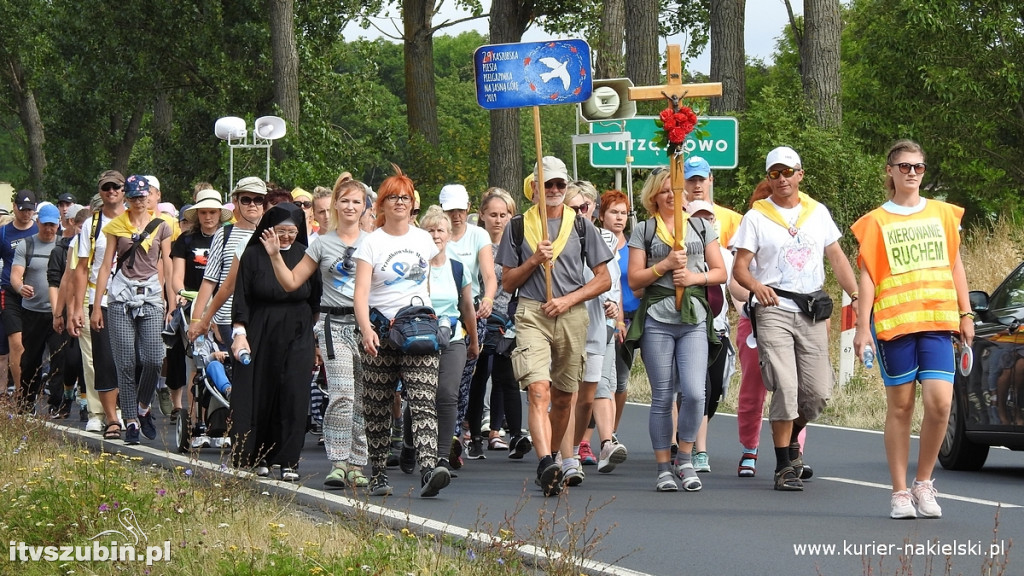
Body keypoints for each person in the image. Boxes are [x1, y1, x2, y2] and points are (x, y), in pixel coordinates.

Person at [851, 139, 973, 519]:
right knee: (901, 407)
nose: (912, 173)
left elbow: (955, 265)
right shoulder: (875, 221)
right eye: (904, 166)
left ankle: (924, 483)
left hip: (938, 323)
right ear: (890, 171)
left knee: (940, 403)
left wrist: (966, 313)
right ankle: (900, 492)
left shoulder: (942, 214)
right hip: (894, 326)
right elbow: (868, 277)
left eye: (918, 167)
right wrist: (861, 328)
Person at [732, 146, 859, 492]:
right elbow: (740, 268)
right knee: (785, 387)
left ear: (800, 174)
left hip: (811, 311)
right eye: (774, 174)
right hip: (774, 310)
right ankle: (784, 466)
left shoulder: (817, 213)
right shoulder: (756, 217)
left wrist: (857, 296)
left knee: (817, 394)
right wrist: (757, 287)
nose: (782, 179)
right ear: (769, 178)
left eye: (787, 172)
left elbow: (836, 256)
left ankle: (790, 440)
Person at [495, 156, 612, 496]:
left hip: (571, 314)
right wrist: (534, 259)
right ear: (535, 188)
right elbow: (506, 283)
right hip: (532, 313)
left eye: (561, 184)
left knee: (564, 398)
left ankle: (558, 461)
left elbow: (602, 279)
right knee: (538, 390)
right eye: (548, 184)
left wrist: (570, 299)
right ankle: (546, 461)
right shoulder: (518, 227)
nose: (555, 190)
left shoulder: (580, 225)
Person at [262, 176, 371, 489]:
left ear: (364, 206)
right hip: (333, 324)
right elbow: (292, 281)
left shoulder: (373, 242)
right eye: (345, 200)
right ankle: (338, 462)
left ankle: (358, 464)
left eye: (356, 201)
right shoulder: (322, 243)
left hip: (366, 326)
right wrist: (273, 255)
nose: (350, 206)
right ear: (335, 204)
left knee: (363, 398)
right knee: (342, 394)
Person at [625, 167, 727, 492]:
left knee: (696, 393)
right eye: (666, 190)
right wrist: (664, 266)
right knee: (662, 395)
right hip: (657, 316)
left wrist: (695, 278)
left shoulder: (700, 226)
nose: (672, 195)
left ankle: (685, 456)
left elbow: (721, 272)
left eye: (677, 190)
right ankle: (662, 467)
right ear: (654, 195)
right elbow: (634, 280)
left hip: (694, 317)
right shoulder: (643, 230)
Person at [353, 166, 451, 498]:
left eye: (405, 197)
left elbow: (427, 282)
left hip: (418, 330)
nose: (400, 202)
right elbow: (361, 293)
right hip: (381, 331)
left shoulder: (424, 240)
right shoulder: (371, 243)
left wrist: (435, 316)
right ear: (381, 204)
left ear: (413, 205)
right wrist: (366, 329)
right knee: (377, 404)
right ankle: (379, 471)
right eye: (393, 197)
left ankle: (428, 469)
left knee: (423, 401)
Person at [231, 202, 320, 481]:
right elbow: (242, 296)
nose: (287, 237)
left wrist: (313, 338)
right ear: (269, 229)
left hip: (298, 330)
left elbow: (315, 297)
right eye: (281, 231)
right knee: (262, 393)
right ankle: (258, 455)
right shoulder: (254, 255)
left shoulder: (305, 255)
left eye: (292, 231)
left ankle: (288, 460)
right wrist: (239, 334)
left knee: (294, 393)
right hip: (261, 329)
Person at [730, 179, 808, 479]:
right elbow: (735, 282)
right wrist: (754, 294)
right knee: (754, 388)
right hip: (755, 322)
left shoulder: (797, 234)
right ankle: (750, 448)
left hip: (796, 320)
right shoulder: (750, 230)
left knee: (793, 388)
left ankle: (794, 451)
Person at [90, 175, 175, 445]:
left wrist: (171, 299)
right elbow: (106, 265)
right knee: (125, 362)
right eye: (134, 197)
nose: (139, 201)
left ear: (150, 197)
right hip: (121, 294)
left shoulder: (162, 225)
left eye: (143, 196)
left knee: (153, 358)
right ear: (127, 198)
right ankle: (130, 420)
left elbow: (168, 262)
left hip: (150, 293)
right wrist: (96, 305)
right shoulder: (116, 226)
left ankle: (142, 406)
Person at [400, 205, 478, 479]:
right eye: (430, 230)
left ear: (448, 235)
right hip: (421, 338)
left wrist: (474, 341)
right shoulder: (415, 268)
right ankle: (410, 443)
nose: (435, 234)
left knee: (446, 395)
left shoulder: (459, 268)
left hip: (454, 337)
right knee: (420, 397)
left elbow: (467, 306)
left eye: (440, 230)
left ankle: (441, 457)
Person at [681, 157, 742, 474]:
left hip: (719, 327)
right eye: (690, 180)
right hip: (688, 325)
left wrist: (754, 310)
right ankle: (693, 449)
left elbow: (736, 285)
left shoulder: (730, 230)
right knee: (696, 388)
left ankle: (690, 433)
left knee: (714, 390)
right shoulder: (677, 230)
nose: (696, 184)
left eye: (701, 179)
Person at [465, 188, 532, 460]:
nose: (498, 220)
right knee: (479, 375)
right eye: (492, 214)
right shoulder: (477, 244)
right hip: (481, 315)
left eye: (503, 215)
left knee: (507, 376)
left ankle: (510, 434)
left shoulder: (518, 244)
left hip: (509, 317)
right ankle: (474, 438)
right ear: (481, 215)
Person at [563, 180, 620, 481]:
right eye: (573, 208)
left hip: (596, 327)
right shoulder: (556, 238)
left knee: (587, 397)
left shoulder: (601, 239)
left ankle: (574, 444)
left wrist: (613, 307)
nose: (579, 213)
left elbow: (611, 280)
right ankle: (566, 457)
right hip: (566, 326)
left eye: (584, 208)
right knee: (567, 396)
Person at [438, 183, 497, 460]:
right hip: (439, 311)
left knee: (463, 377)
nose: (456, 215)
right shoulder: (436, 234)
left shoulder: (478, 235)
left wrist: (488, 297)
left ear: (469, 209)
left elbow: (488, 273)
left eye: (461, 210)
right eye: (451, 210)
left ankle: (454, 437)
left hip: (470, 310)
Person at [171, 190, 232, 442]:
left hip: (225, 305)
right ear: (197, 215)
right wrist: (180, 293)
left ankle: (222, 419)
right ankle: (196, 421)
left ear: (220, 214)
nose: (208, 217)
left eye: (213, 212)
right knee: (197, 363)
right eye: (204, 212)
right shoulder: (185, 240)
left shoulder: (228, 238)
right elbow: (176, 275)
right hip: (194, 303)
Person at [67, 171, 126, 436]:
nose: (111, 191)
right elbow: (80, 269)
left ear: (124, 190)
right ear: (100, 192)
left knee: (124, 358)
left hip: (128, 298)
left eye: (116, 186)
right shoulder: (92, 226)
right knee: (93, 359)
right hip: (95, 297)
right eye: (106, 187)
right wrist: (76, 308)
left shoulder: (135, 221)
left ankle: (124, 410)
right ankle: (96, 412)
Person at [188, 177, 267, 347]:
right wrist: (197, 319)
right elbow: (210, 279)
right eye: (246, 200)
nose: (252, 204)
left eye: (258, 199)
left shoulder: (271, 234)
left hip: (262, 316)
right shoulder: (224, 234)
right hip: (227, 317)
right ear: (236, 202)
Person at [593, 189, 631, 472]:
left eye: (623, 213)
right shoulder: (594, 242)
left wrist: (620, 319)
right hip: (594, 320)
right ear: (601, 216)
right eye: (614, 212)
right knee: (595, 384)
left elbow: (616, 284)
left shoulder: (629, 246)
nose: (619, 218)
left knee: (616, 383)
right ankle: (583, 441)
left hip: (619, 321)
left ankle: (609, 438)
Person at [10, 204, 61, 413]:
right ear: (38, 222)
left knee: (59, 359)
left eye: (52, 225)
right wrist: (21, 286)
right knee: (30, 358)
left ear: (58, 225)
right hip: (32, 311)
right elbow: (15, 273)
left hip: (57, 312)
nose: (48, 229)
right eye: (45, 224)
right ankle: (27, 402)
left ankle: (57, 404)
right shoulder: (27, 244)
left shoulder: (65, 246)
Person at [47, 204, 88, 419]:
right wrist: (59, 312)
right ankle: (67, 395)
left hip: (91, 305)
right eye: (80, 227)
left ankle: (84, 402)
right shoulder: (68, 248)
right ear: (73, 225)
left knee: (86, 360)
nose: (83, 231)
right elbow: (64, 282)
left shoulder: (99, 244)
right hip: (71, 306)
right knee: (71, 359)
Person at [1, 189, 40, 401]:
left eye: (30, 210)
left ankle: (32, 387)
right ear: (15, 207)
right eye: (22, 209)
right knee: (16, 344)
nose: (26, 214)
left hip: (37, 295)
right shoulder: (4, 233)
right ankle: (20, 391)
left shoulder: (40, 229)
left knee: (32, 345)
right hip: (10, 293)